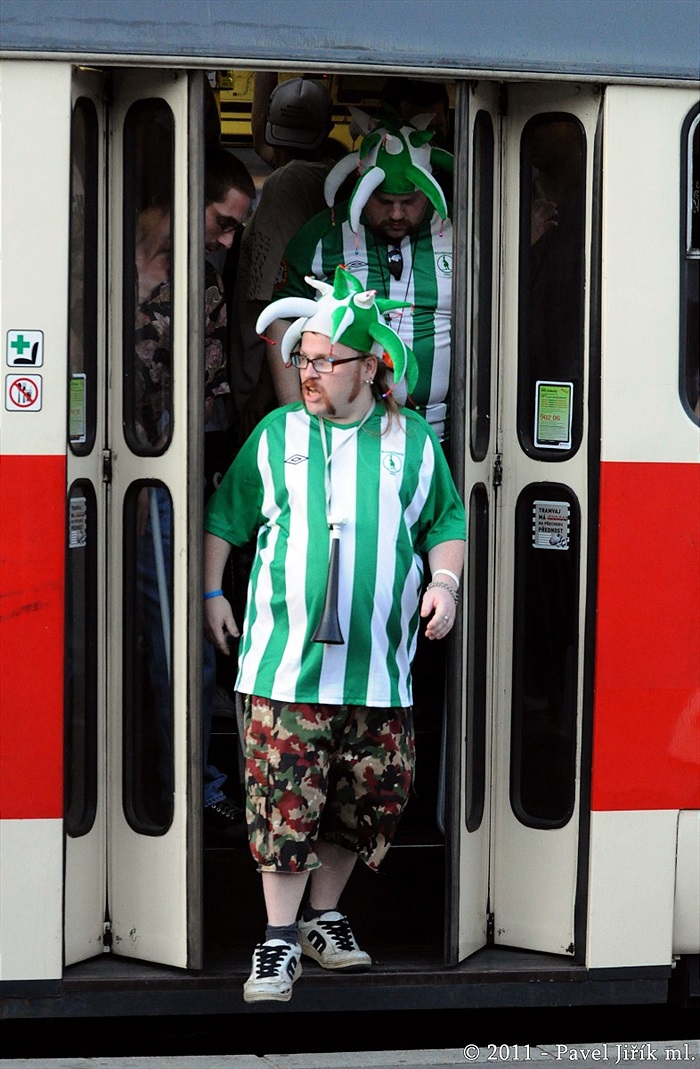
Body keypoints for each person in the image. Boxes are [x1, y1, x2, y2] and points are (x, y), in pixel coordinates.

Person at [203, 266, 466, 1003]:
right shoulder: (276, 435)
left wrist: (444, 584)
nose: (308, 372)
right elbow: (226, 517)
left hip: (380, 669)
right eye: (304, 358)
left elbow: (445, 519)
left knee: (366, 797)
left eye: (325, 359)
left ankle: (325, 917)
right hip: (283, 670)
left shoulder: (410, 441)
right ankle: (278, 940)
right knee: (284, 799)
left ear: (371, 367)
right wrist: (209, 591)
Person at [133, 146, 256, 831]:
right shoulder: (92, 251)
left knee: (177, 635)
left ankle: (186, 782)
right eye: (222, 220)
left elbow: (207, 400)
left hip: (162, 473)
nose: (227, 239)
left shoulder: (202, 284)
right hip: (95, 466)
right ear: (187, 195)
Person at [264, 112, 454, 442]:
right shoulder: (320, 235)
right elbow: (280, 319)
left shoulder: (459, 236)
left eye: (409, 201)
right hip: (339, 432)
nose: (397, 214)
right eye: (383, 201)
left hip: (441, 436)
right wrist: (296, 421)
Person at [229, 75, 335, 442]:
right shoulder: (331, 178)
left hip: (273, 372)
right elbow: (267, 144)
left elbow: (272, 304)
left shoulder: (284, 184)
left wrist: (261, 390)